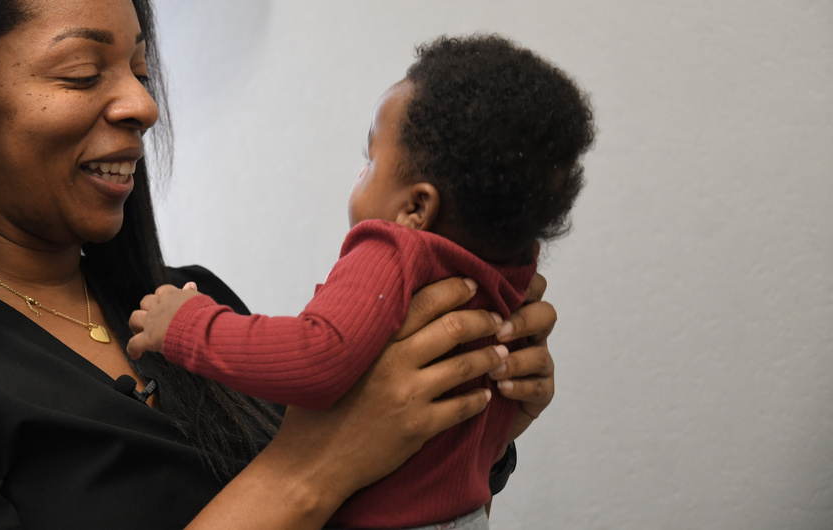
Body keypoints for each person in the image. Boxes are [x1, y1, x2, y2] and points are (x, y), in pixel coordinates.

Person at [0, 0, 559, 530]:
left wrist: (462, 409)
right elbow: (320, 480)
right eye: (81, 72)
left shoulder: (188, 305)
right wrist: (314, 469)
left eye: (140, 67)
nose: (143, 104)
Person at [127, 35, 594, 529]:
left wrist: (186, 324)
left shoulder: (392, 250)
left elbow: (315, 358)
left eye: (370, 160)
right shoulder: (510, 272)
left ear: (416, 207)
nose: (359, 172)